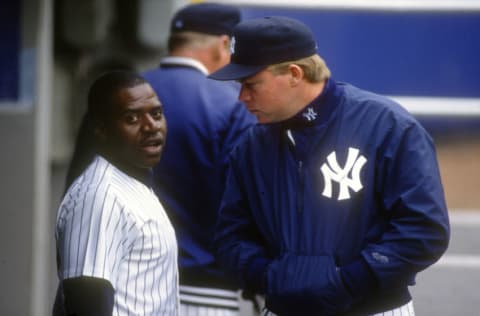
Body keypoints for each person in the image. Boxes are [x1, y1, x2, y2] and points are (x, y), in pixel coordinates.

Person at [209, 16, 450, 316]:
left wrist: (348, 282)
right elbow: (231, 238)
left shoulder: (388, 126)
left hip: (374, 310)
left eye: (251, 84)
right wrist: (272, 277)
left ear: (294, 73)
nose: (242, 97)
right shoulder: (251, 146)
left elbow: (424, 230)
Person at [142, 3, 256, 315]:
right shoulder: (234, 104)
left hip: (126, 290)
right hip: (207, 295)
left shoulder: (117, 96)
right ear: (223, 45)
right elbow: (248, 208)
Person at [54, 71, 179, 316]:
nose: (151, 126)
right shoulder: (100, 197)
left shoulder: (133, 184)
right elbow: (87, 303)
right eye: (132, 117)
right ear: (101, 129)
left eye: (156, 114)